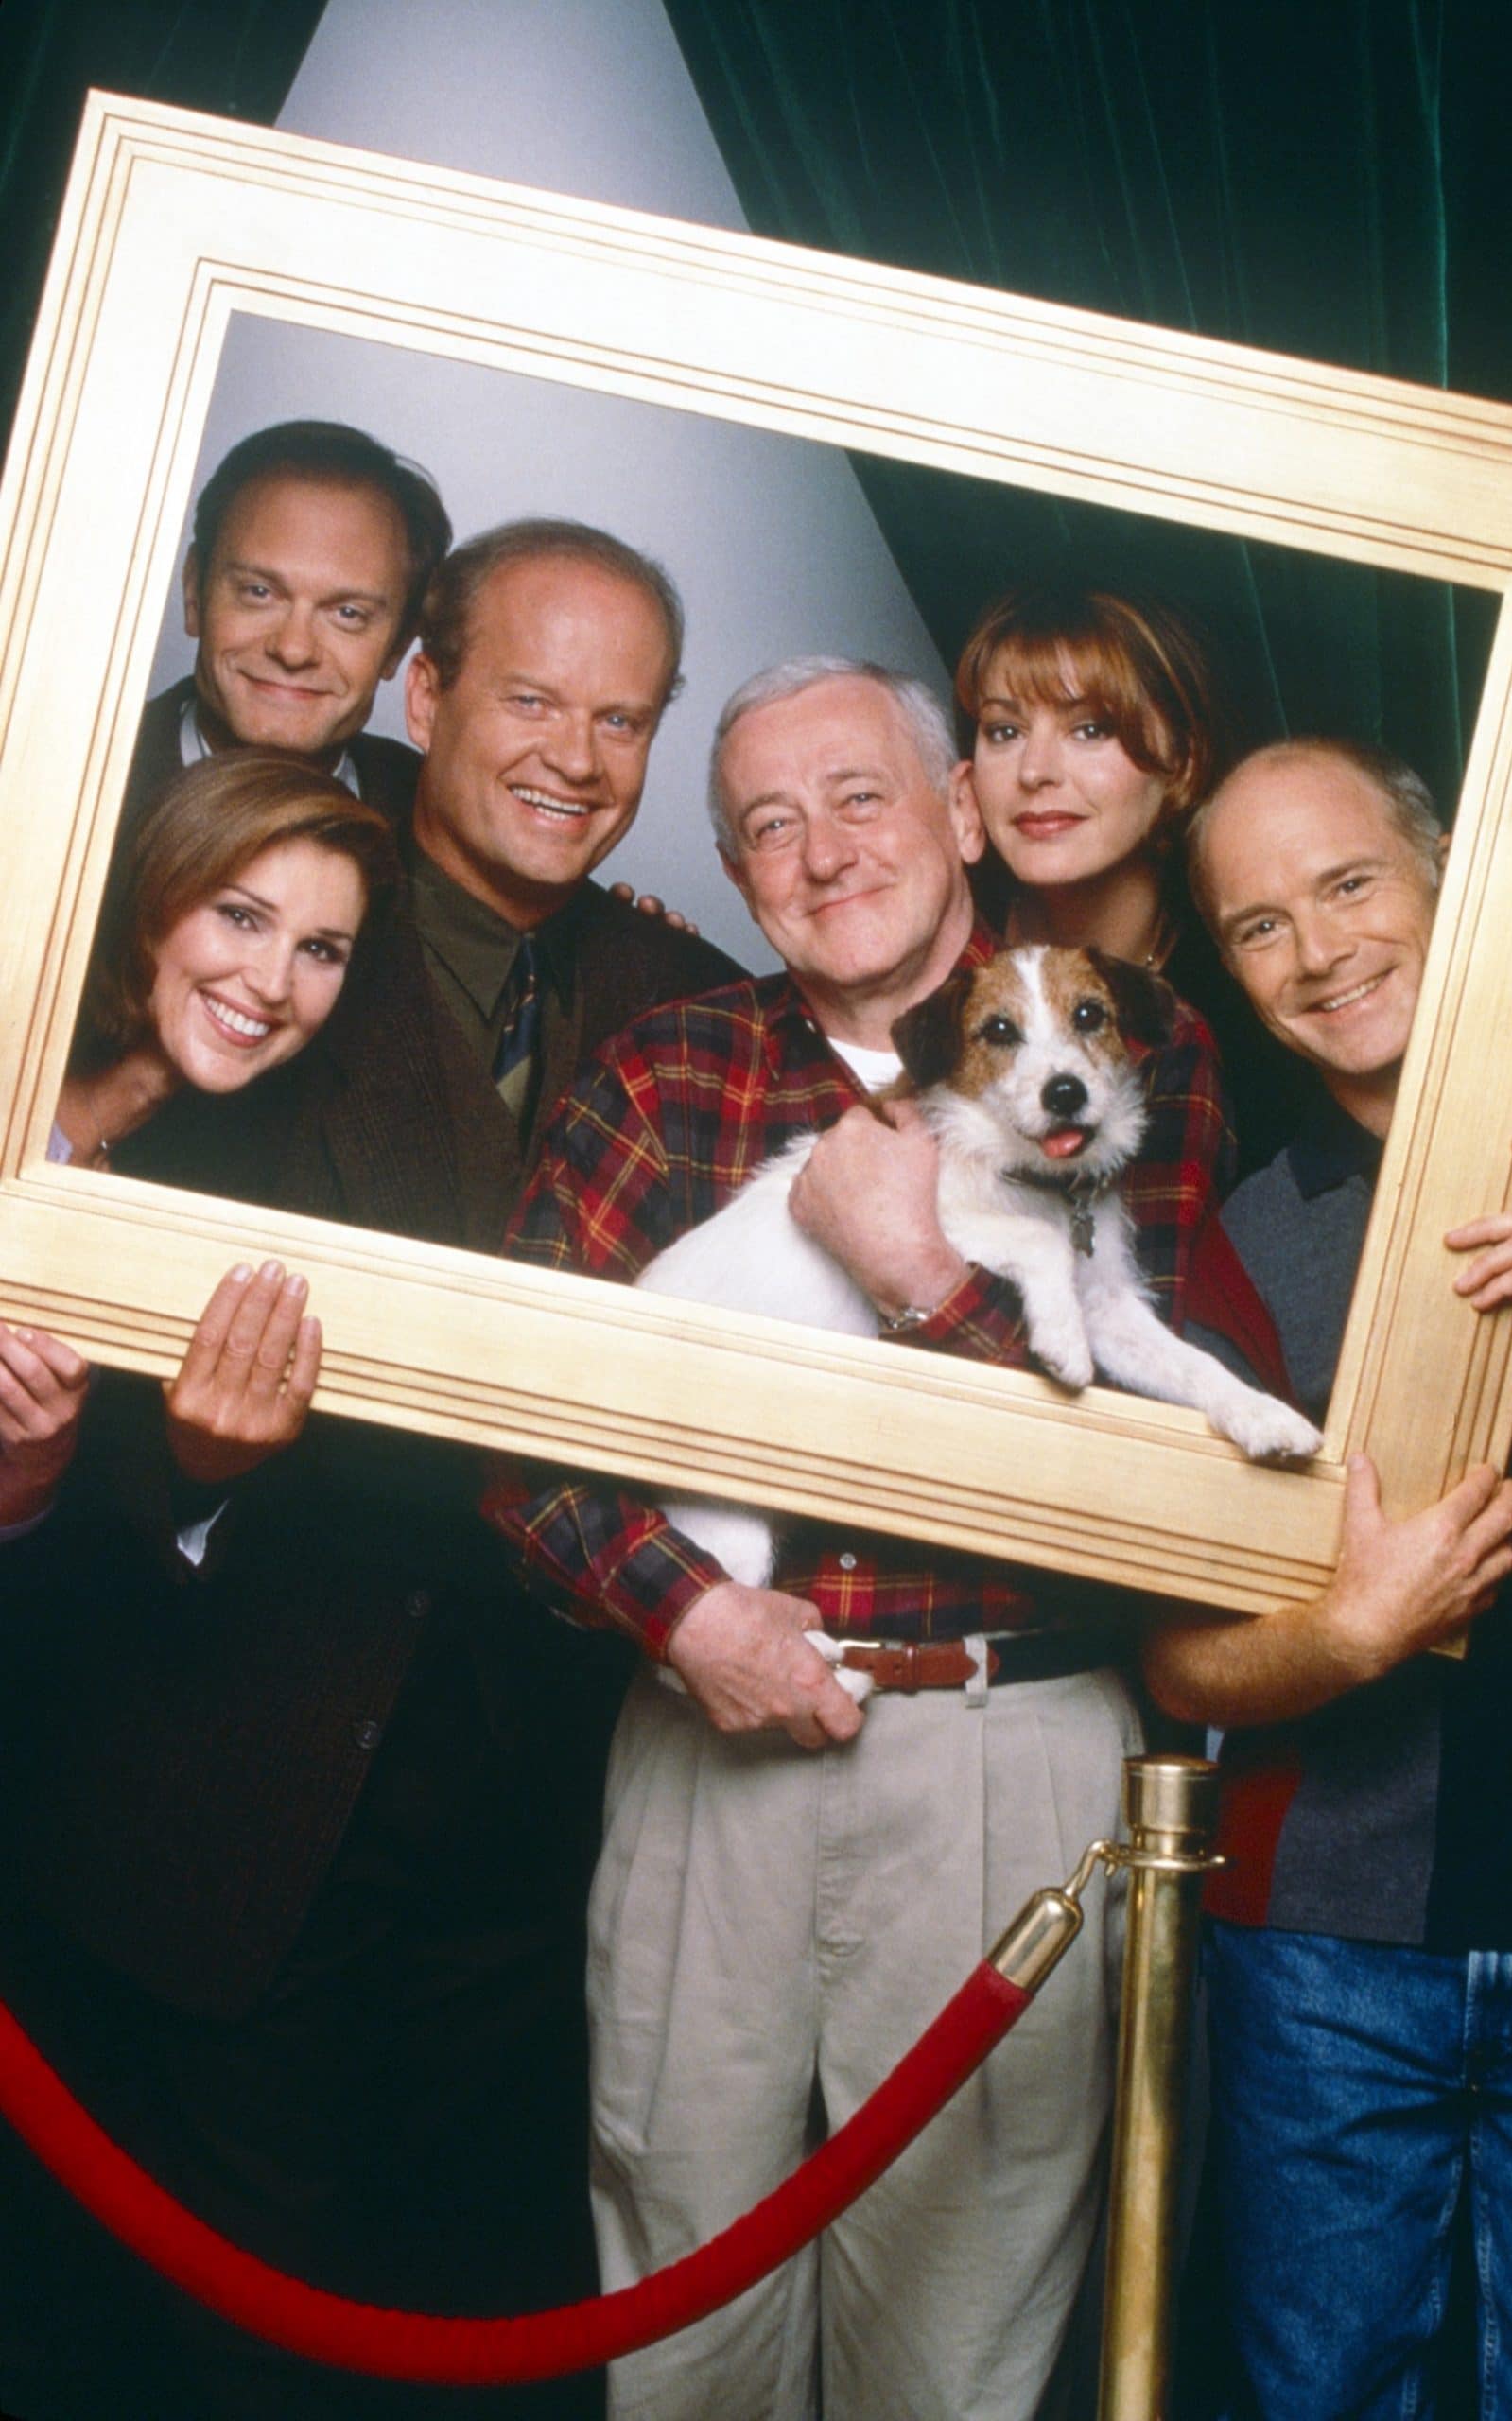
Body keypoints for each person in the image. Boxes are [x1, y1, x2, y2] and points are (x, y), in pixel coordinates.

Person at [0, 524, 739, 2421]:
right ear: (420, 698)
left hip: (516, 1836)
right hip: (214, 1791)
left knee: (448, 2344)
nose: (575, 757)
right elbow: (71, 1276)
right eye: (527, 700)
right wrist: (185, 1480)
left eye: (623, 718)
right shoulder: (265, 936)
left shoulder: (673, 1001)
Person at [485, 653, 1234, 2421]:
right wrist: (688, 1622)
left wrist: (913, 1277)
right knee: (683, 2289)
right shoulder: (671, 1066)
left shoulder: (1136, 1052)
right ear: (738, 877)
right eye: (766, 826)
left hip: (1011, 1738)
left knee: (960, 2321)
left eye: (858, 797)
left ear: (958, 813)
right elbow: (511, 1417)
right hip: (706, 1736)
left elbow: (1150, 1471)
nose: (817, 853)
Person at [1142, 738, 1512, 2420]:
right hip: (1324, 1960)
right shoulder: (1232, 1247)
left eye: (1347, 885)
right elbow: (1176, 1666)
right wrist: (1343, 1639)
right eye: (1258, 925)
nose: (1319, 950)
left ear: (1448, 880)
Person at [2, 749, 397, 1534]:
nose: (273, 983)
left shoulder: (200, 1215)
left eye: (320, 950)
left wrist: (32, 1471)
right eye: (242, 916)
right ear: (156, 901)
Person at [953, 580, 1314, 1172]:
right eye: (1005, 731)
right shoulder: (944, 959)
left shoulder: (1240, 1011)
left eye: (1090, 728)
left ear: (1182, 763)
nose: (1035, 770)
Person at [125, 420, 453, 826]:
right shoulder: (68, 773)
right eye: (259, 593)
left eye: (347, 614)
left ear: (399, 646)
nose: (293, 650)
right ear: (195, 593)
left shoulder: (439, 817)